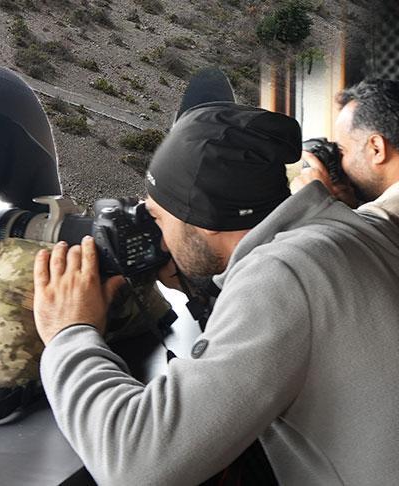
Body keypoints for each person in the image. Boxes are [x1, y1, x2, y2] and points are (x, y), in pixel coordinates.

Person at [32, 101, 399, 485]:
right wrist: (201, 286)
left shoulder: (283, 275)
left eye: (157, 216)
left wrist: (68, 332)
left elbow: (136, 464)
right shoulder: (358, 229)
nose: (157, 233)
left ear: (205, 220)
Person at [291, 78, 399, 224]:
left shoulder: (385, 220)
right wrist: (347, 209)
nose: (340, 163)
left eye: (342, 151)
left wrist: (314, 204)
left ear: (377, 149)